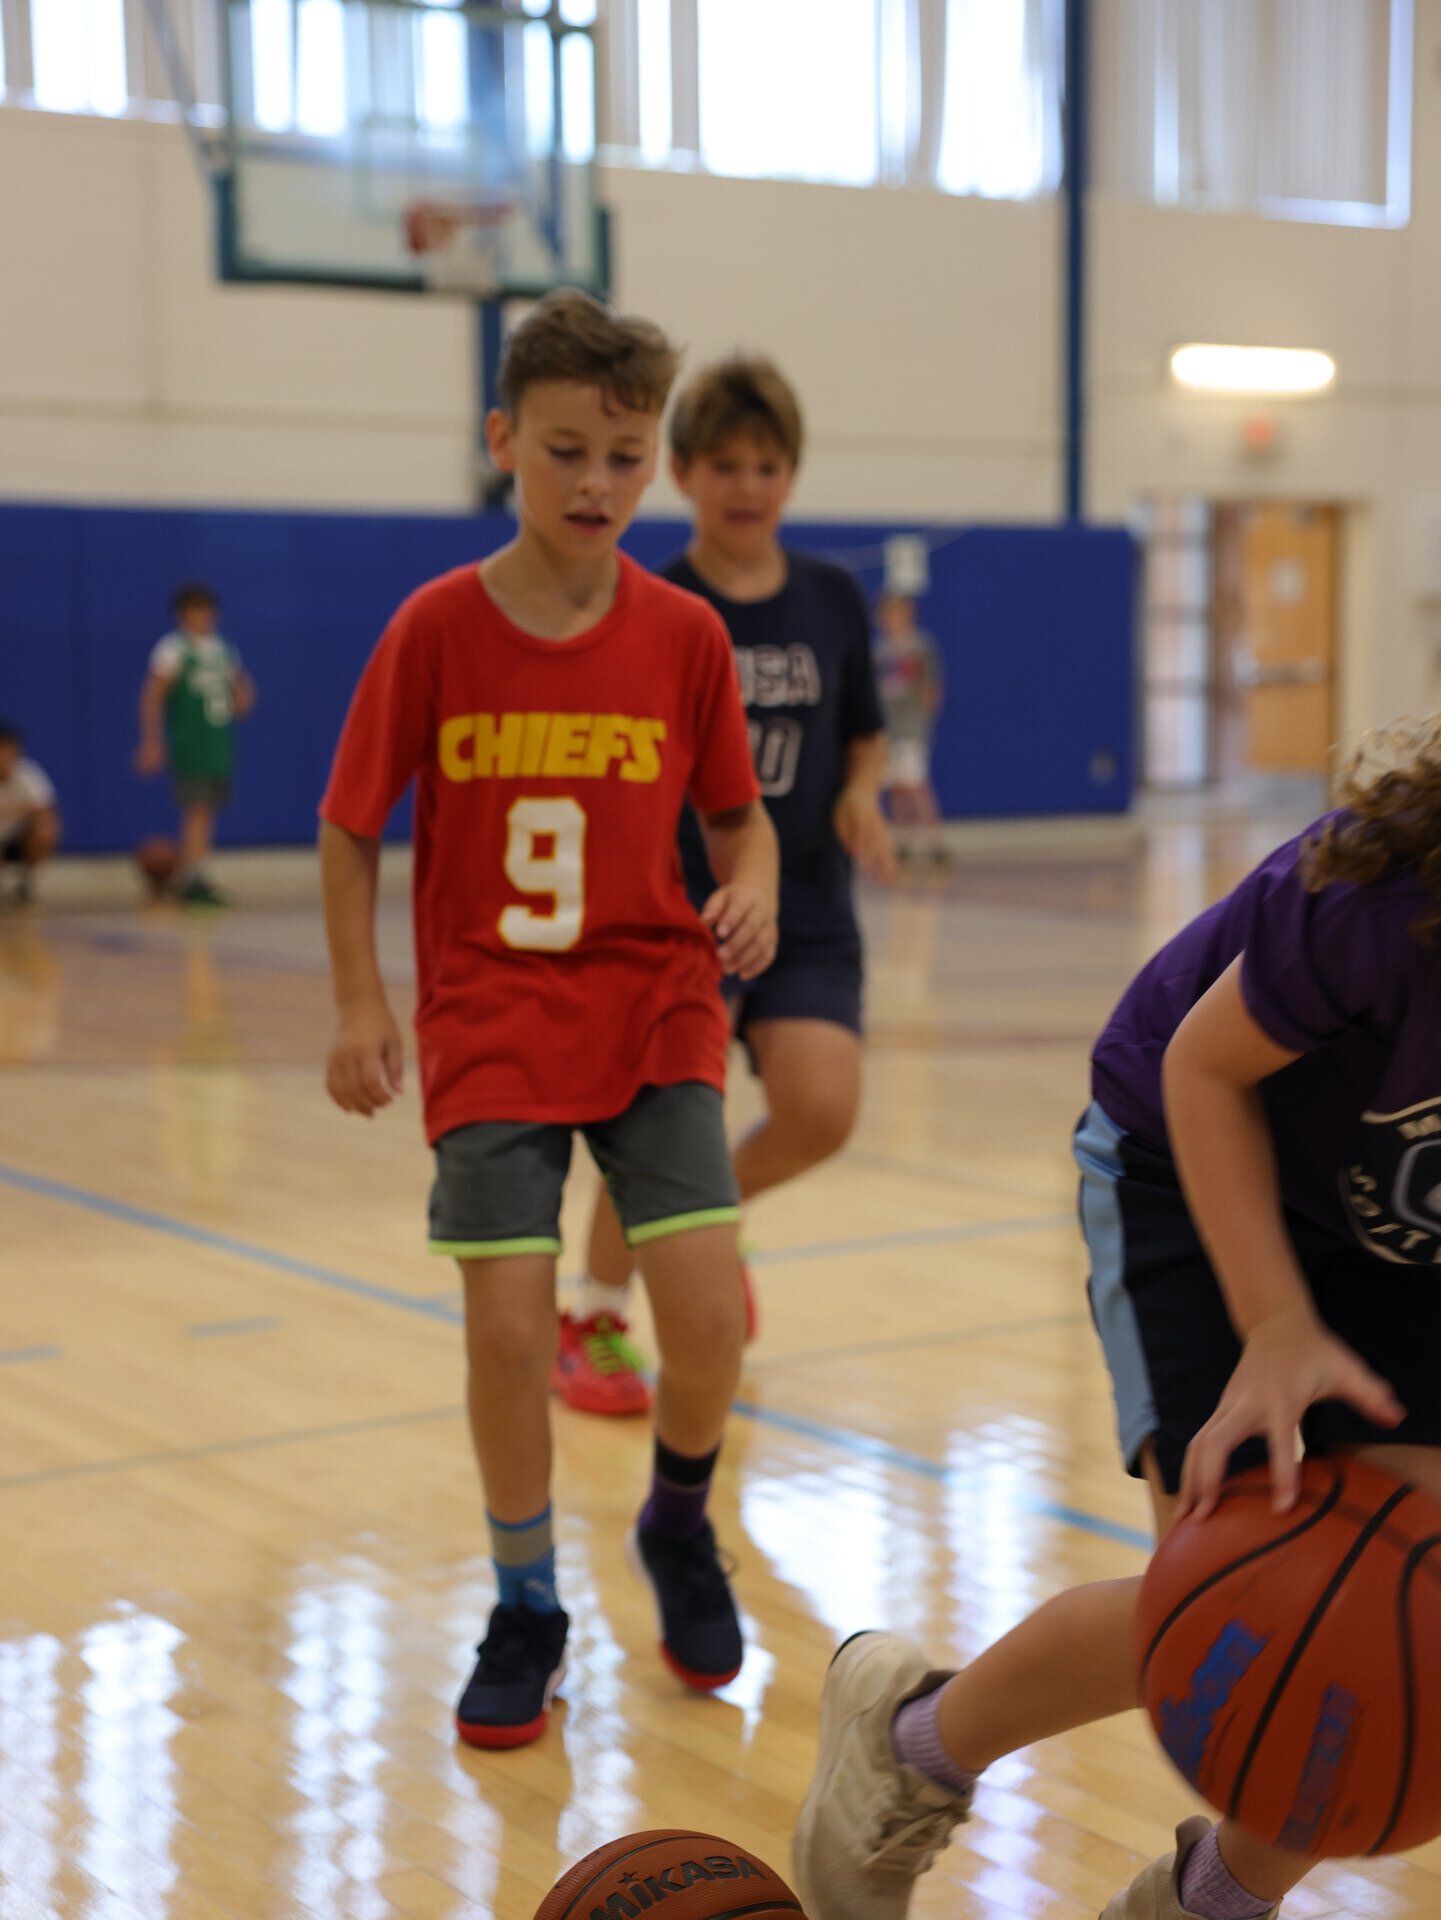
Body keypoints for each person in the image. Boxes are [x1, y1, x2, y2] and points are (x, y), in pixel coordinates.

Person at [791, 716, 1441, 1920]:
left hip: (1399, 1235)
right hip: (1192, 1156)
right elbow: (1205, 1070)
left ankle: (1202, 1905)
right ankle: (910, 1744)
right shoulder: (1378, 894)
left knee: (1403, 1629)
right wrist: (1274, 1324)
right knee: (1254, 1590)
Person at [319, 290, 780, 1749]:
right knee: (512, 1336)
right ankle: (526, 1603)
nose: (595, 484)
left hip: (652, 1008)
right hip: (494, 1020)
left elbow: (738, 818)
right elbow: (348, 825)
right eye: (566, 450)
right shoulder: (435, 629)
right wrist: (361, 999)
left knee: (703, 1316)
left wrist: (754, 887)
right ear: (501, 440)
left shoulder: (684, 635)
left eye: (625, 458)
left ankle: (678, 1521)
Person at [557, 354, 894, 1418]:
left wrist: (862, 796)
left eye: (767, 466)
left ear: (790, 474)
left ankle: (710, 1223)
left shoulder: (831, 595)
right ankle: (592, 1317)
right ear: (684, 474)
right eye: (725, 466)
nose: (748, 486)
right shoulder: (651, 604)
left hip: (806, 904)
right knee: (662, 1136)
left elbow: (865, 734)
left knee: (822, 1108)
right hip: (680, 907)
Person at [136, 583, 255, 907]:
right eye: (195, 611)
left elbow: (241, 687)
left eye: (206, 610)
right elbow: (152, 695)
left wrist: (243, 696)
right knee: (197, 810)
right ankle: (191, 878)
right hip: (191, 742)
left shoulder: (222, 647)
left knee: (208, 811)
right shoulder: (173, 648)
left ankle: (195, 874)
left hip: (219, 742)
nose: (202, 617)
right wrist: (152, 741)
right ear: (182, 615)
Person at [873, 590, 945, 865]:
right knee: (896, 786)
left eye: (897, 613)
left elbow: (931, 687)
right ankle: (902, 842)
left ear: (908, 615)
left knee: (916, 784)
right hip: (887, 728)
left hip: (911, 727)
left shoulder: (920, 646)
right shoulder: (879, 650)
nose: (892, 619)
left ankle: (935, 842)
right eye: (887, 614)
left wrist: (924, 720)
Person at [0, 723, 61, 906]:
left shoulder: (28, 773)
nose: (4, 756)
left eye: (8, 750)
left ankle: (24, 879)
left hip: (17, 839)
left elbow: (46, 811)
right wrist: (22, 808)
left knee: (45, 829)